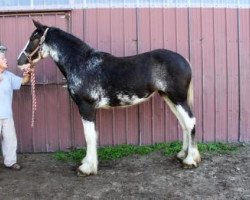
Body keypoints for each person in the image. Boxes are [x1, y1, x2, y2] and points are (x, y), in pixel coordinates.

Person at [0, 43, 32, 170]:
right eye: (3, 59)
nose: (6, 60)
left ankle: (10, 162)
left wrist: (28, 74)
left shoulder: (8, 76)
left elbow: (23, 82)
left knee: (10, 140)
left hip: (7, 115)